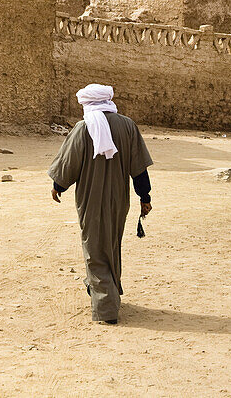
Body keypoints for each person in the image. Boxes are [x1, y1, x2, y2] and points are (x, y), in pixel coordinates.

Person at [49, 84, 153, 324]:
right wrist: (144, 197)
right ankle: (105, 291)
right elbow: (139, 167)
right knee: (111, 245)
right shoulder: (127, 126)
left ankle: (106, 309)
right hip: (119, 199)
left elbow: (68, 164)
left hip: (91, 200)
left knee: (95, 250)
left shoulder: (83, 127)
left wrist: (58, 186)